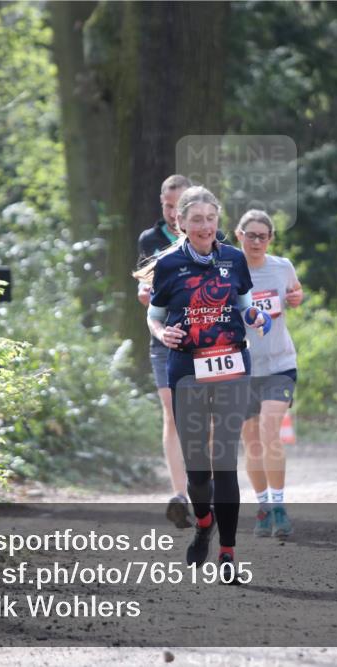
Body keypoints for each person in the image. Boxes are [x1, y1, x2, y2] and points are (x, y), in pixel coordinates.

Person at [145, 186, 269, 575]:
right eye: (196, 219)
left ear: (218, 220)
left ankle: (228, 553)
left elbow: (245, 304)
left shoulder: (234, 258)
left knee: (225, 461)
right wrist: (162, 333)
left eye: (210, 218)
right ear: (180, 222)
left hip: (231, 366)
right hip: (187, 370)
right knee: (198, 471)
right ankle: (204, 522)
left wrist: (255, 317)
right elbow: (154, 314)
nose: (205, 226)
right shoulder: (168, 265)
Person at [234, 210, 304, 539]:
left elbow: (295, 293)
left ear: (270, 239)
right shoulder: (228, 272)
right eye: (251, 235)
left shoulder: (282, 266)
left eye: (263, 236)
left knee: (269, 431)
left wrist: (297, 297)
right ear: (239, 235)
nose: (256, 241)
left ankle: (279, 507)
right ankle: (262, 507)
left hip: (280, 364)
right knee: (251, 442)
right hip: (242, 369)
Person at [136, 175, 192, 528]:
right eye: (168, 206)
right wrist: (146, 294)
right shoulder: (150, 239)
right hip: (163, 340)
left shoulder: (212, 236)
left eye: (179, 206)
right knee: (172, 415)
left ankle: (206, 488)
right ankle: (180, 495)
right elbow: (144, 288)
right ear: (162, 204)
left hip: (203, 340)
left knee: (205, 419)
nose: (173, 213)